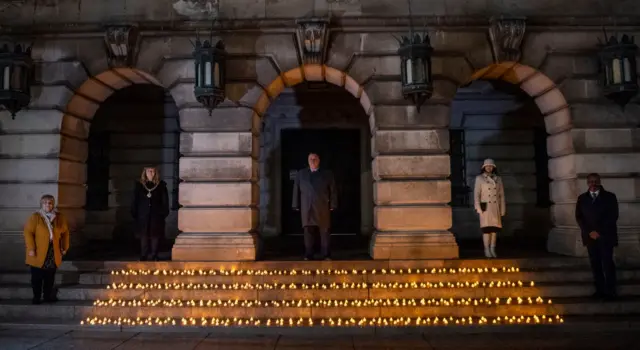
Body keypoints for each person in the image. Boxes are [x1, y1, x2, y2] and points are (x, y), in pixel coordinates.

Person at [575, 173, 619, 300]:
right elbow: (579, 217)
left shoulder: (610, 197)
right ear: (587, 183)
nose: (593, 184)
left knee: (607, 263)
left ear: (599, 181)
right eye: (590, 182)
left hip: (606, 236)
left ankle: (611, 291)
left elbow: (613, 216)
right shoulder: (582, 198)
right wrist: (590, 231)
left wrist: (599, 231)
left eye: (595, 181)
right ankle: (599, 290)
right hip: (590, 237)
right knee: (595, 264)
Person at [23, 194, 70, 304]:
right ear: (41, 204)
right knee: (37, 277)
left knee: (49, 276)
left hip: (52, 251)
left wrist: (64, 247)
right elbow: (28, 232)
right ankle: (36, 297)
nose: (47, 205)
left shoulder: (59, 217)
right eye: (45, 203)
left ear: (53, 204)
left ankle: (47, 296)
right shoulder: (36, 217)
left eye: (50, 203)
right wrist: (31, 248)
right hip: (38, 251)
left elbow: (65, 233)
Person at [292, 152, 337, 260]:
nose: (313, 160)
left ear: (319, 160)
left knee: (324, 231)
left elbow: (333, 190)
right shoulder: (301, 174)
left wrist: (333, 204)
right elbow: (296, 190)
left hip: (322, 207)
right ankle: (308, 254)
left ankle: (326, 254)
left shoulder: (327, 174)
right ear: (308, 161)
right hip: (307, 207)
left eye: (315, 158)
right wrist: (295, 204)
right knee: (308, 231)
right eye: (310, 159)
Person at [131, 166, 170, 261]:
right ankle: (143, 254)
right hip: (143, 215)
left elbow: (165, 201)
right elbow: (135, 201)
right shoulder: (139, 185)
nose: (151, 173)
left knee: (155, 235)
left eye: (153, 171)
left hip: (156, 215)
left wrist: (163, 213)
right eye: (149, 171)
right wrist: (134, 212)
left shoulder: (161, 185)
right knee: (143, 235)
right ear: (145, 172)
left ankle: (154, 254)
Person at [473, 158, 506, 258]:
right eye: (487, 166)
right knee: (486, 230)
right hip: (485, 207)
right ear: (484, 167)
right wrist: (478, 207)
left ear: (493, 167)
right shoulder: (479, 178)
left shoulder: (498, 179)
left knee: (494, 230)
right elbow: (476, 194)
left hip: (495, 207)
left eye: (491, 166)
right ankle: (486, 249)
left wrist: (502, 209)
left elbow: (502, 195)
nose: (489, 168)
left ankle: (493, 249)